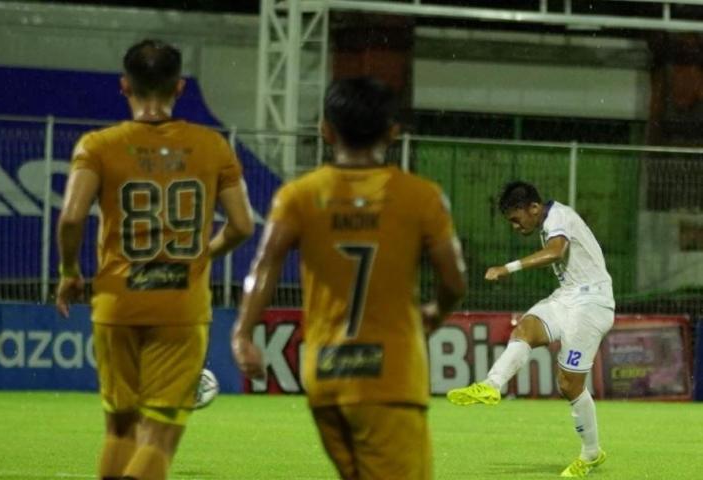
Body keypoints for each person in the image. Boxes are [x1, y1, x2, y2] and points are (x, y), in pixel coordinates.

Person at [230, 76, 467, 480]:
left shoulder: (299, 196)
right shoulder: (420, 196)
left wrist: (243, 334)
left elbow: (264, 265)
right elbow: (455, 280)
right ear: (392, 132)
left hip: (326, 378)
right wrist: (435, 312)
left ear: (325, 129)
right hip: (389, 380)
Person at [55, 39, 254, 480]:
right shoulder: (212, 145)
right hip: (180, 306)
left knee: (119, 429)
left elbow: (71, 217)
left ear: (125, 85)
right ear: (179, 87)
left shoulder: (99, 145)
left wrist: (70, 271)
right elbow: (241, 225)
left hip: (116, 302)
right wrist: (204, 252)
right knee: (160, 436)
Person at [447, 181, 614, 478]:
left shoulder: (558, 218)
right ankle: (492, 385)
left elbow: (555, 252)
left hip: (592, 303)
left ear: (534, 208)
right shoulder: (549, 221)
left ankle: (591, 453)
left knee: (568, 385)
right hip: (569, 297)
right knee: (526, 327)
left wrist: (507, 268)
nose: (514, 226)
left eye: (515, 218)